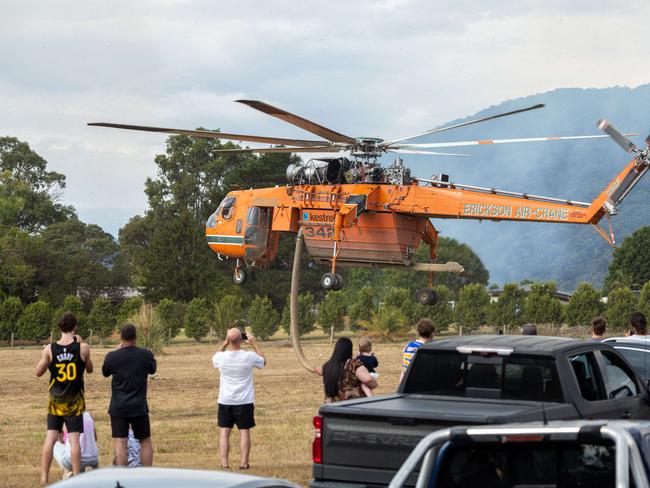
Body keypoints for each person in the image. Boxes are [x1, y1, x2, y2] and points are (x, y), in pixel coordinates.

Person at [35, 312, 93, 485]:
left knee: (51, 438)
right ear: (75, 327)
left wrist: (46, 359)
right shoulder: (83, 348)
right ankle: (76, 478)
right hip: (75, 402)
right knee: (74, 440)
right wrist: (81, 345)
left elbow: (38, 372)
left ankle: (44, 478)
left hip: (55, 402)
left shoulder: (50, 349)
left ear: (59, 328)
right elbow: (89, 369)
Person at [102, 323, 157, 467]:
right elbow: (152, 369)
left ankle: (123, 477)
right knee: (144, 440)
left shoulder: (113, 356)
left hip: (119, 406)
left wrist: (116, 350)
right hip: (139, 406)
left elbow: (105, 371)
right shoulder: (145, 355)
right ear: (135, 336)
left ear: (121, 337)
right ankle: (146, 476)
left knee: (121, 441)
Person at [212, 328, 266, 470]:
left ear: (229, 341)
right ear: (241, 340)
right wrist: (254, 343)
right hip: (244, 400)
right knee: (244, 431)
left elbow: (215, 357)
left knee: (224, 432)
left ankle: (224, 463)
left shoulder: (221, 358)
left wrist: (224, 343)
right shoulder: (248, 356)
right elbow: (263, 361)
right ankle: (243, 463)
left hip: (225, 400)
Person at [321, 337, 377, 403]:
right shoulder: (354, 365)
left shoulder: (327, 366)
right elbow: (368, 379)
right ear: (350, 350)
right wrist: (374, 384)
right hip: (351, 407)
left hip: (331, 407)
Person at [53, 412, 99, 477]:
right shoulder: (88, 415)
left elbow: (62, 440)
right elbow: (95, 438)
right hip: (93, 459)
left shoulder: (65, 417)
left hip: (74, 459)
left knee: (56, 445)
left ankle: (67, 471)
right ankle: (88, 471)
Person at [400, 318, 435, 382]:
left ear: (418, 332)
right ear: (432, 333)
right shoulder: (430, 349)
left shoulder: (408, 346)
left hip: (407, 383)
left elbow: (404, 369)